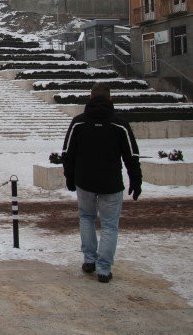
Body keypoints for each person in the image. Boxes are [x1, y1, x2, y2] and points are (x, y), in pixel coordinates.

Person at [62, 83, 142, 284]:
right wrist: (136, 179)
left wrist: (70, 177)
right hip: (111, 183)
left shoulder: (79, 123)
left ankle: (89, 260)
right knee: (109, 226)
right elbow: (131, 155)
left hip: (85, 181)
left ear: (90, 98)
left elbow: (67, 153)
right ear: (110, 99)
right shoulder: (120, 124)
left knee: (86, 218)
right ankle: (104, 269)